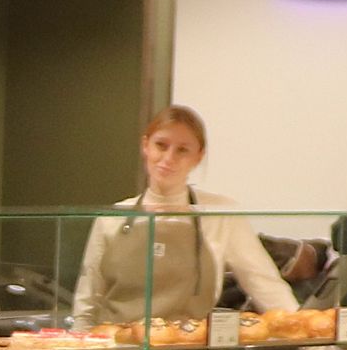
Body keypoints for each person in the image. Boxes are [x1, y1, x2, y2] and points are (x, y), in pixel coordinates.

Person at [71, 104, 294, 326]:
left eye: (182, 150)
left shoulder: (222, 215)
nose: (168, 158)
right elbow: (87, 303)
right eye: (161, 145)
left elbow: (266, 287)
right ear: (145, 146)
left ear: (198, 156)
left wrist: (312, 343)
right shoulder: (112, 218)